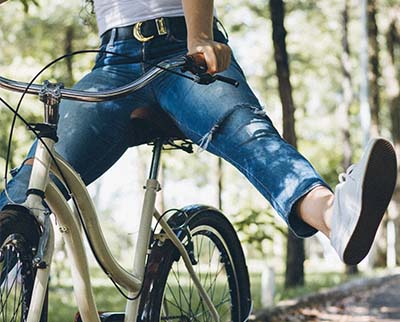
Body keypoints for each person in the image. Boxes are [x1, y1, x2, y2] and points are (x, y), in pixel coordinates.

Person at [0, 0, 397, 265]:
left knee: (246, 132)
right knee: (33, 182)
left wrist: (200, 35)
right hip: (112, 62)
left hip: (184, 48)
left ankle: (335, 216)